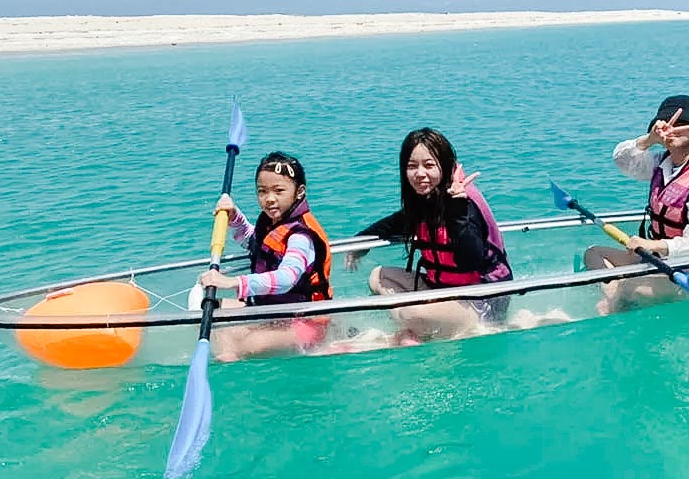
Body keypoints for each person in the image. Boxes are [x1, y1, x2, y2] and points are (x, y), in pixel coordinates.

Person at [344, 128, 513, 342]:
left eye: (429, 165)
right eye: (412, 166)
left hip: (482, 298)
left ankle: (411, 331)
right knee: (378, 276)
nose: (420, 173)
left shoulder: (465, 202)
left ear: (445, 165)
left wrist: (457, 211)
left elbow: (470, 259)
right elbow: (397, 222)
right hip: (442, 290)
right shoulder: (427, 199)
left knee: (411, 312)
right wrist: (361, 242)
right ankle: (418, 330)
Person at [586, 95, 689, 312]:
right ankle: (614, 296)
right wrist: (649, 139)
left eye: (678, 125)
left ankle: (615, 301)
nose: (670, 129)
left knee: (631, 289)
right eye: (665, 124)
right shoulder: (663, 164)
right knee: (593, 253)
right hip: (656, 260)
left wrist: (651, 245)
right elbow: (623, 161)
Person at [199, 151, 333, 361]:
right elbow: (253, 241)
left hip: (306, 321)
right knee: (214, 313)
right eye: (262, 191)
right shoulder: (271, 224)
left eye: (279, 191)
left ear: (299, 192)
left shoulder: (301, 236)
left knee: (252, 345)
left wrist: (234, 282)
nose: (269, 199)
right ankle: (228, 363)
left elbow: (286, 278)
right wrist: (234, 216)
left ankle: (234, 364)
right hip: (274, 311)